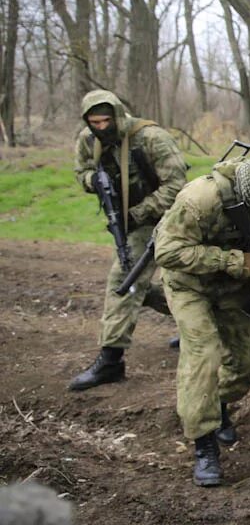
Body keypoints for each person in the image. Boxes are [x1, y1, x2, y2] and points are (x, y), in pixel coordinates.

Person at [154, 142, 250, 487]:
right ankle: (204, 445)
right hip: (190, 285)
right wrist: (233, 262)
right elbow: (167, 251)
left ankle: (215, 404)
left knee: (248, 360)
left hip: (236, 289)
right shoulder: (202, 198)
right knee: (203, 354)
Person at [68, 90, 187, 391]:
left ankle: (110, 361)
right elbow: (80, 170)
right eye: (94, 122)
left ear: (117, 115)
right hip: (129, 220)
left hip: (167, 218)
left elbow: (177, 185)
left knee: (125, 279)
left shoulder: (150, 138)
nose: (101, 127)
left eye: (106, 120)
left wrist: (139, 212)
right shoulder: (88, 140)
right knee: (137, 286)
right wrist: (92, 181)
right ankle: (199, 322)